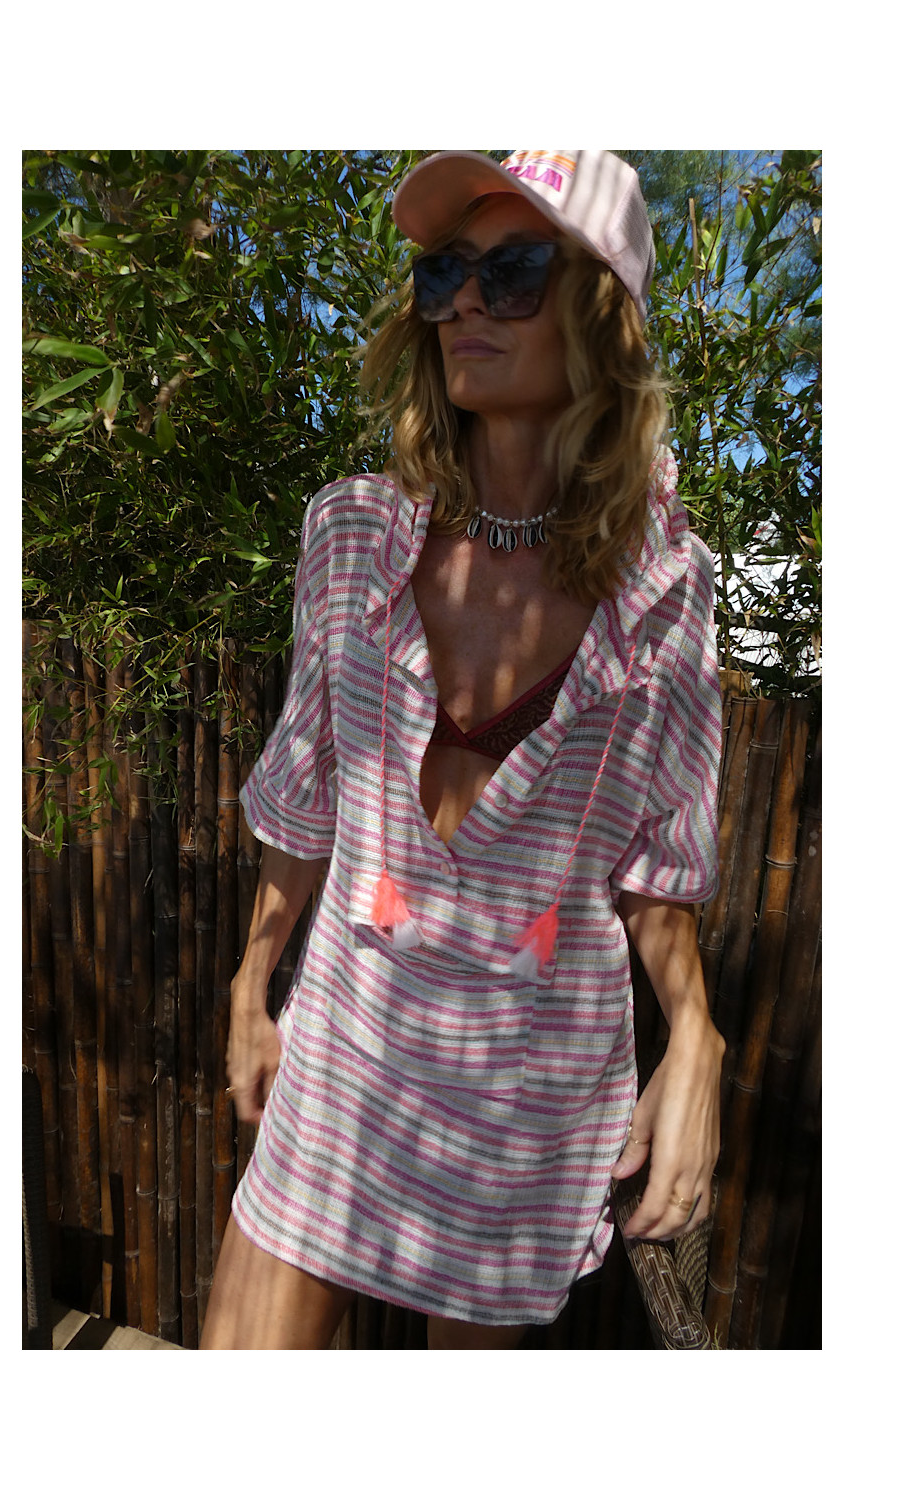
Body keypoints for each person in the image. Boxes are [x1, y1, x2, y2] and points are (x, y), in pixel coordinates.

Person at [200, 149, 725, 1351]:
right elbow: (306, 793)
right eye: (444, 275)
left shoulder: (665, 588)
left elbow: (658, 859)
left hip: (522, 1095)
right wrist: (249, 985)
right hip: (345, 1047)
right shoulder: (350, 537)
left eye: (514, 271)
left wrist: (696, 1034)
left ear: (604, 314)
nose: (464, 306)